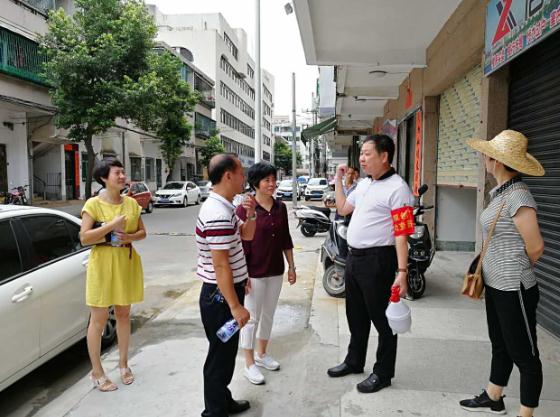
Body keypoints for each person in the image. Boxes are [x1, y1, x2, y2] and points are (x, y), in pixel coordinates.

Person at [460, 130, 545, 417]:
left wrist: (513, 268)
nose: (483, 158)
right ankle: (494, 396)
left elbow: (535, 247)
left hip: (514, 287)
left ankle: (526, 412)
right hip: (495, 284)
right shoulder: (501, 194)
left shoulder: (518, 195)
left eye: (487, 154)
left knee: (525, 353)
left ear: (496, 160)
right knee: (501, 343)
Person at [327, 134, 414, 394]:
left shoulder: (399, 189)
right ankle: (354, 361)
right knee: (356, 315)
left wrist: (402, 272)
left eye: (367, 154)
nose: (362, 159)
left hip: (379, 260)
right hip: (354, 258)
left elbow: (402, 233)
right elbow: (342, 208)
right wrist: (339, 181)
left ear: (384, 156)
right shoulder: (365, 184)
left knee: (383, 320)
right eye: (361, 154)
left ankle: (383, 372)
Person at [196, 153, 257, 417]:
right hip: (220, 299)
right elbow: (221, 266)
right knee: (220, 356)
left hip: (225, 294)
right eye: (241, 173)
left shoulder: (226, 206)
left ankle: (223, 400)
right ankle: (214, 411)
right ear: (228, 175)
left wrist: (251, 213)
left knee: (225, 351)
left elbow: (247, 234)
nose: (245, 178)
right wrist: (235, 306)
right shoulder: (217, 213)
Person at [79, 158, 146, 392]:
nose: (122, 176)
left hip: (125, 261)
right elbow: (85, 237)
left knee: (124, 314)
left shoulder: (131, 203)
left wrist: (130, 237)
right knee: (98, 320)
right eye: (117, 173)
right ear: (104, 178)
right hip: (102, 263)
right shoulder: (93, 204)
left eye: (122, 172)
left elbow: (142, 232)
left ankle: (123, 364)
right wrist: (112, 225)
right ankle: (97, 372)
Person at [236, 162, 296, 385]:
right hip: (253, 272)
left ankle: (262, 354)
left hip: (275, 269)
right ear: (255, 184)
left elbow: (286, 239)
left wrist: (291, 266)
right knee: (251, 318)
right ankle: (249, 363)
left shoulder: (280, 207)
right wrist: (243, 275)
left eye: (274, 179)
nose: (272, 184)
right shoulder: (245, 209)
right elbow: (239, 245)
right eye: (267, 180)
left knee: (269, 314)